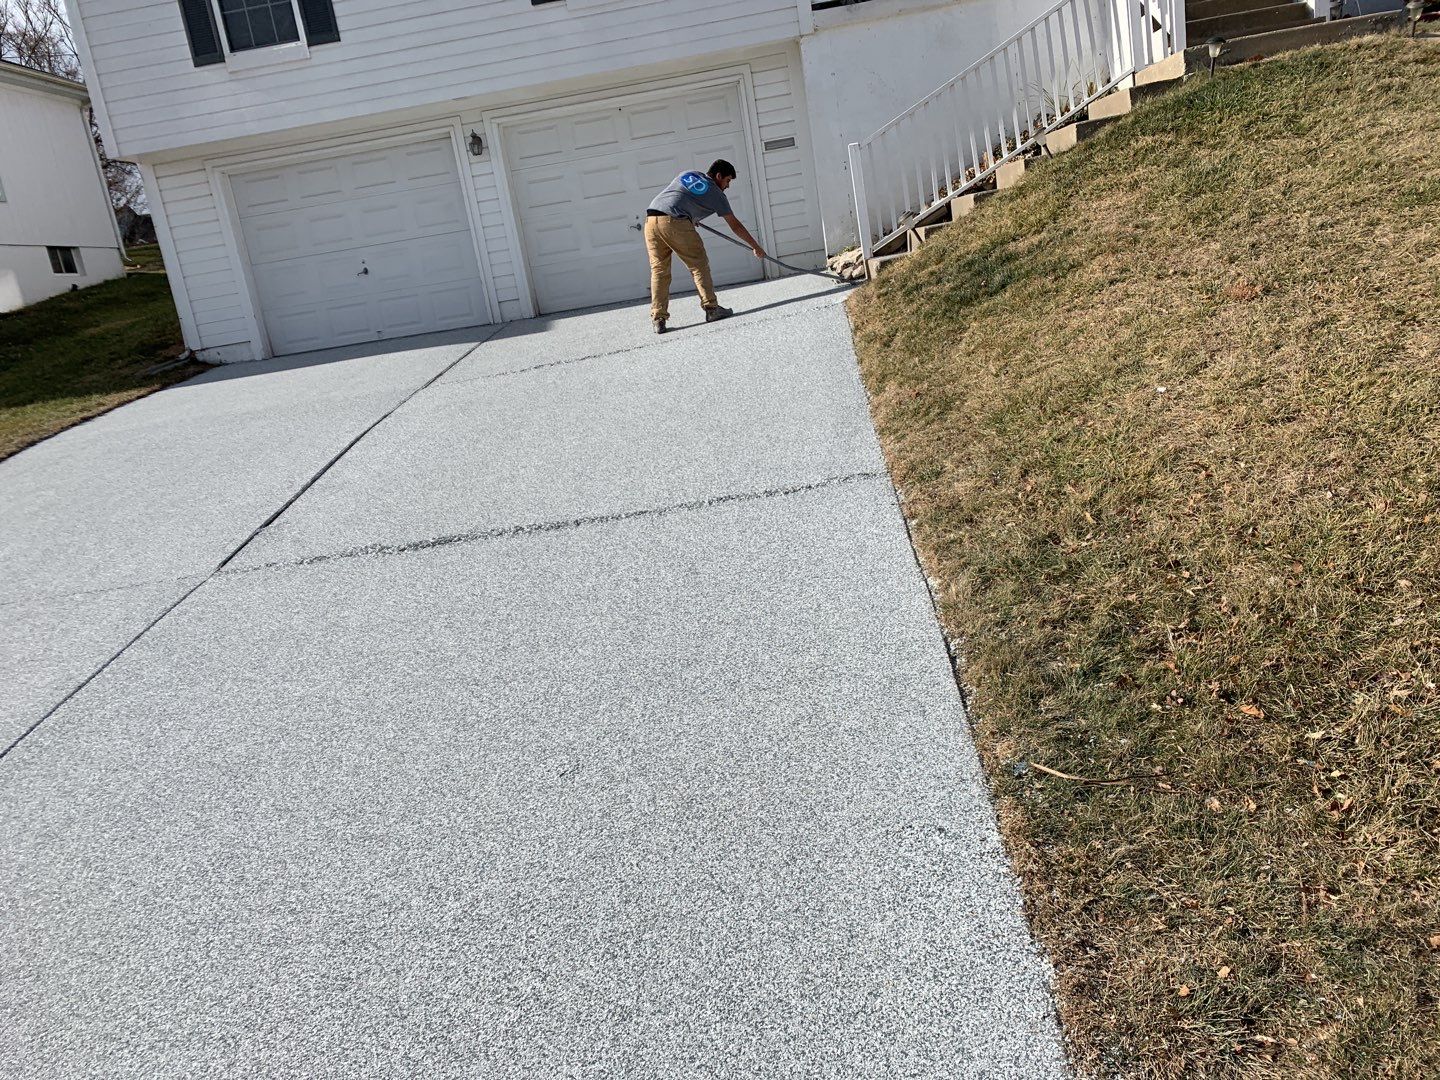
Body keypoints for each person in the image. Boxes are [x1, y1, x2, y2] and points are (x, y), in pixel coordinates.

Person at [644, 159, 766, 334]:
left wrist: (690, 217)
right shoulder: (716, 193)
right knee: (698, 265)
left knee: (659, 271)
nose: (728, 186)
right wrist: (756, 246)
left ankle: (658, 318)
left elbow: (679, 196)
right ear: (718, 176)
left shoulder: (688, 173)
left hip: (651, 221)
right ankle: (712, 309)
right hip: (675, 221)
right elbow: (735, 225)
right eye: (728, 181)